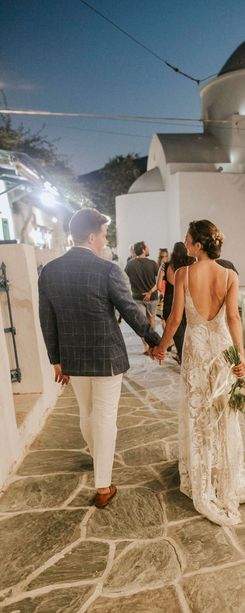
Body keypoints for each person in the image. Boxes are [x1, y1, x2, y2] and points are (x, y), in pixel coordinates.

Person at [38, 208, 161, 508]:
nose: (105, 240)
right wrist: (156, 340)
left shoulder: (50, 271)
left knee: (87, 413)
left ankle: (99, 460)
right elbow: (131, 311)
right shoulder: (107, 270)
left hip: (72, 358)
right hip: (106, 356)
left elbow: (47, 319)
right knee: (105, 418)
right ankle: (103, 486)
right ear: (91, 236)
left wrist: (56, 358)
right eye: (104, 235)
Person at [155, 219, 245, 526]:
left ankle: (204, 478)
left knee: (199, 413)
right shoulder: (229, 274)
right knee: (223, 413)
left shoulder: (183, 273)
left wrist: (162, 348)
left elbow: (175, 320)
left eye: (188, 240)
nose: (185, 244)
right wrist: (240, 355)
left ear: (199, 244)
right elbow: (233, 317)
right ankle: (225, 475)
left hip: (198, 349)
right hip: (223, 348)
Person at [157, 241, 194, 362]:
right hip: (186, 300)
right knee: (188, 331)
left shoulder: (165, 265)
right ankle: (186, 357)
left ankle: (182, 356)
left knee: (178, 334)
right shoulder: (190, 264)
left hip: (169, 301)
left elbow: (158, 285)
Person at [124, 241, 160, 349]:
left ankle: (146, 346)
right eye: (147, 247)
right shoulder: (153, 263)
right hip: (152, 297)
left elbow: (126, 279)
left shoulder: (129, 265)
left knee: (142, 323)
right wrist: (150, 292)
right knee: (151, 319)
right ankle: (153, 343)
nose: (148, 249)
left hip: (137, 297)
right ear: (143, 250)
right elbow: (158, 282)